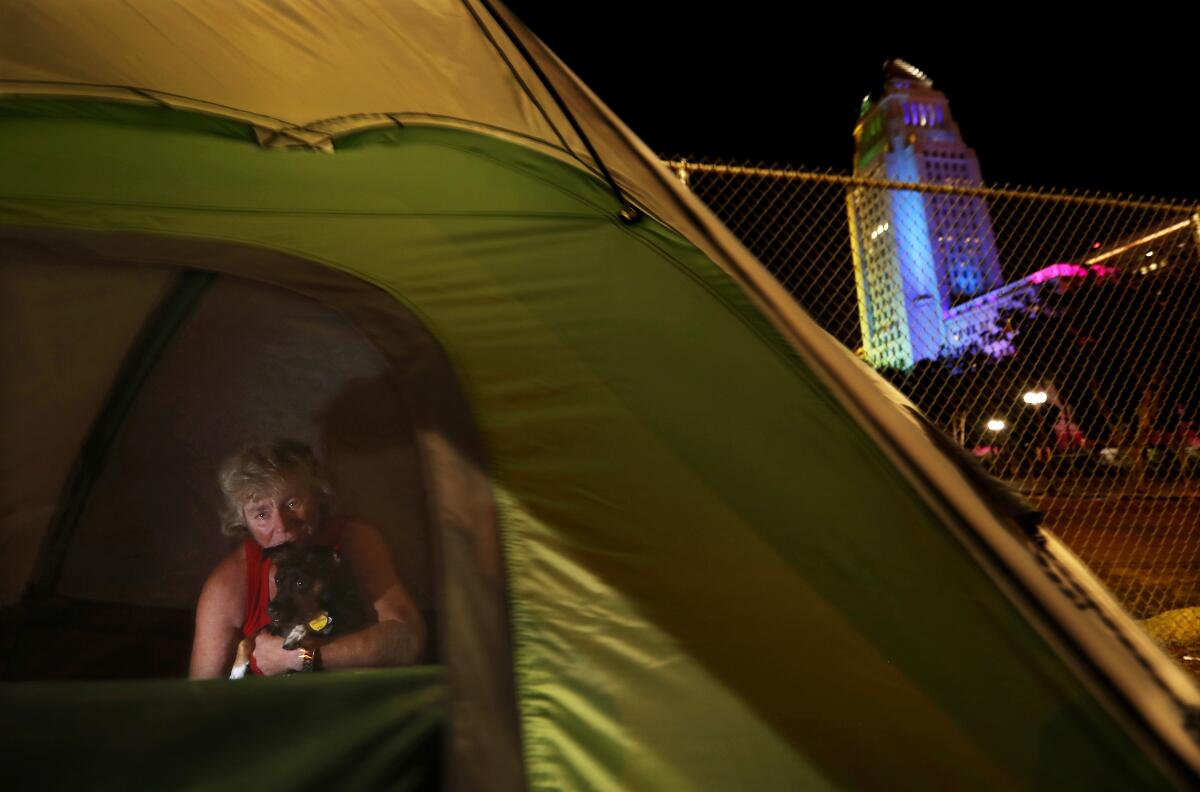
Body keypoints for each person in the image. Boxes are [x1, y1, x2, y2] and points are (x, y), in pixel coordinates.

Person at [189, 439, 426, 678]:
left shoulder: (353, 541)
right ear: (244, 523)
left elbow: (407, 640)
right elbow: (199, 697)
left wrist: (296, 657)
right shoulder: (230, 582)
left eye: (292, 503)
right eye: (262, 514)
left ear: (316, 496)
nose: (282, 525)